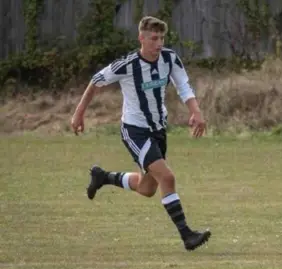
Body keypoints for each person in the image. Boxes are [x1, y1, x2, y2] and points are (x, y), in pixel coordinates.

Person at [70, 16, 211, 251]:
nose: (158, 43)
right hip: (135, 131)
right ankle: (187, 235)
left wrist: (195, 111)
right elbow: (95, 81)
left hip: (158, 130)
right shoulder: (126, 65)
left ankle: (103, 177)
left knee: (147, 188)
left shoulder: (169, 58)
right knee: (167, 178)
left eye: (162, 38)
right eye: (154, 38)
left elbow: (183, 85)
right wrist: (78, 114)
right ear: (141, 38)